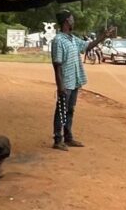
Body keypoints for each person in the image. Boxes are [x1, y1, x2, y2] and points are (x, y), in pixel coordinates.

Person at [51, 10, 114, 151]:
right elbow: (57, 64)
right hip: (65, 82)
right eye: (72, 19)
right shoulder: (58, 41)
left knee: (70, 109)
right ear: (67, 21)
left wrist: (103, 36)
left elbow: (87, 46)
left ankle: (68, 137)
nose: (74, 21)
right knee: (61, 110)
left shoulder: (72, 39)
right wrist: (60, 85)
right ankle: (57, 139)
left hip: (74, 80)